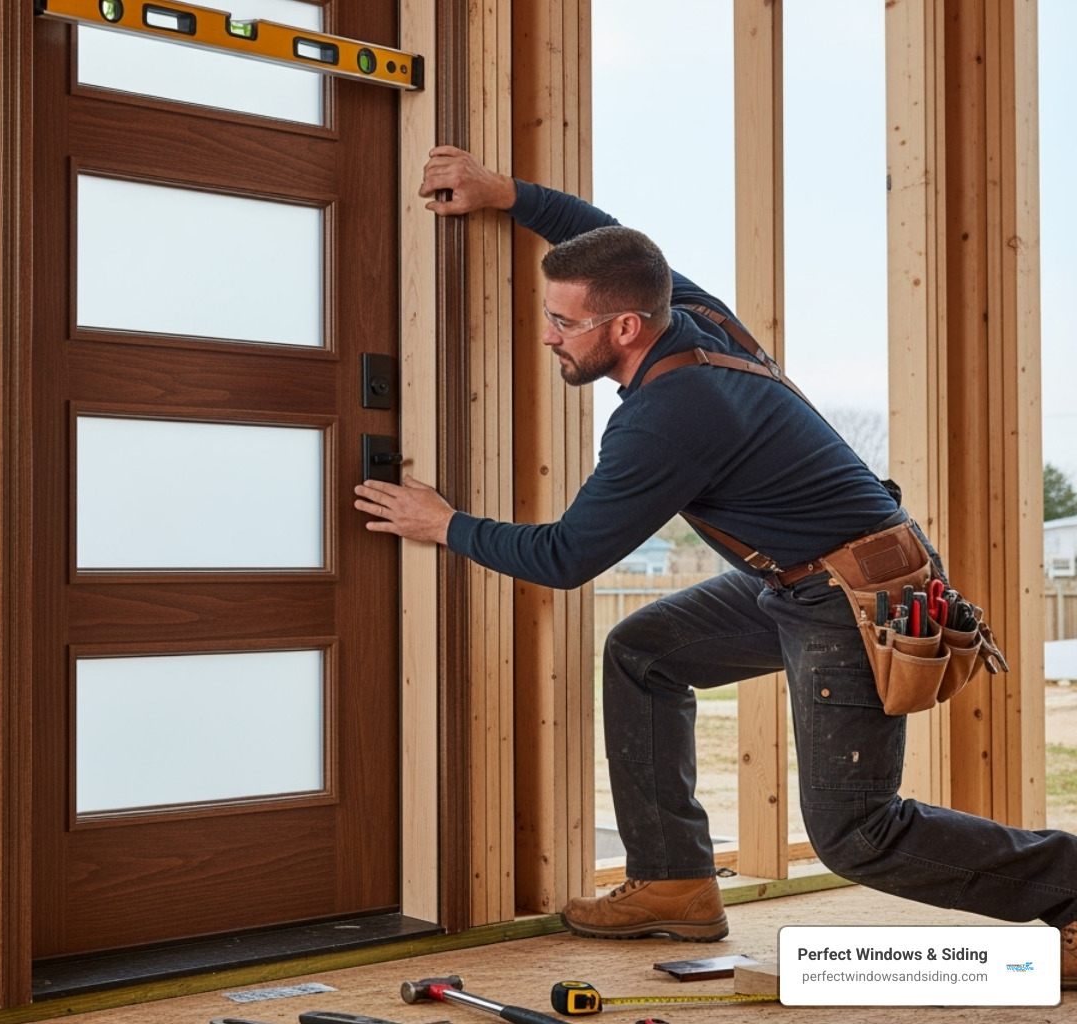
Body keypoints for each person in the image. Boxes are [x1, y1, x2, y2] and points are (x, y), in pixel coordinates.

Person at [355, 145, 1077, 982]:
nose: (548, 334)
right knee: (642, 653)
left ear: (625, 328)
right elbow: (611, 238)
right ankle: (674, 883)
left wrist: (446, 524)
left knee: (855, 834)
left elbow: (566, 556)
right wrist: (504, 193)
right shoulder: (690, 315)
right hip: (803, 576)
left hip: (858, 597)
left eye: (563, 322)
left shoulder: (667, 417)